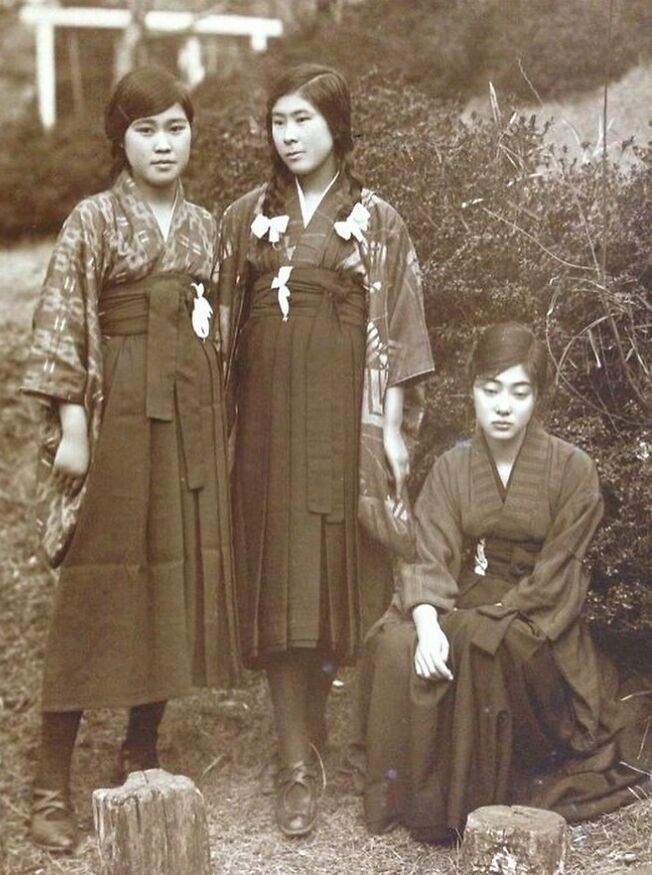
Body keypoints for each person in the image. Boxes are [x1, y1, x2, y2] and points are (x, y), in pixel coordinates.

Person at [22, 66, 240, 852]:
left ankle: (140, 749)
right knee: (95, 589)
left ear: (192, 135)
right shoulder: (93, 219)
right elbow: (64, 319)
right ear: (120, 139)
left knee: (170, 580)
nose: (161, 144)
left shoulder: (205, 226)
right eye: (145, 130)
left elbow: (216, 333)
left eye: (175, 128)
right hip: (114, 419)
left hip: (185, 423)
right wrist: (74, 427)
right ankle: (49, 779)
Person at [215, 63, 433, 837]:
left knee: (342, 574)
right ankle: (293, 760)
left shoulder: (376, 219)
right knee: (281, 578)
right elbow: (215, 334)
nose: (290, 134)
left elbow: (401, 332)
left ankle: (334, 739)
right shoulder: (245, 218)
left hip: (346, 422)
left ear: (337, 126)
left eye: (304, 119)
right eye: (278, 120)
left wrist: (393, 430)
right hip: (269, 425)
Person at [359, 322, 647, 840]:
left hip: (539, 619)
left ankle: (466, 800)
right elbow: (429, 553)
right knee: (396, 641)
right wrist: (427, 622)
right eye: (490, 391)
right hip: (471, 591)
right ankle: (411, 797)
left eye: (519, 392)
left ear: (537, 396)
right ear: (472, 390)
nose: (503, 407)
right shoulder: (452, 468)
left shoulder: (573, 469)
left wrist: (477, 623)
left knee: (484, 643)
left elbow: (561, 574)